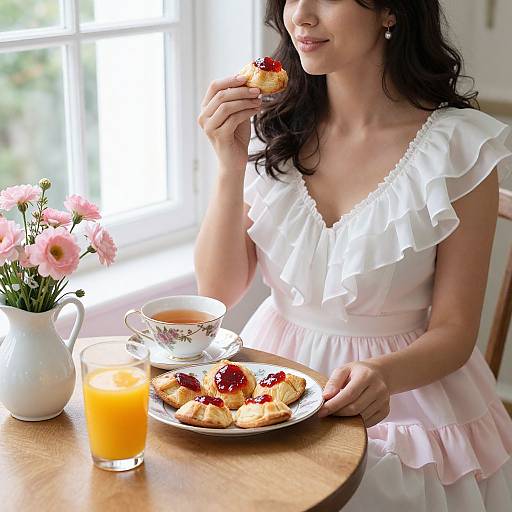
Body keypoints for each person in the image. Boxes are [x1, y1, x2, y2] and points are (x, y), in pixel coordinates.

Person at [195, 0, 512, 509]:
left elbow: (455, 332)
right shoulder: (267, 127)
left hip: (408, 392)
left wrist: (383, 375)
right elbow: (217, 290)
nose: (299, 15)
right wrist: (228, 166)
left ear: (390, 10)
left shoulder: (459, 148)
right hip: (271, 379)